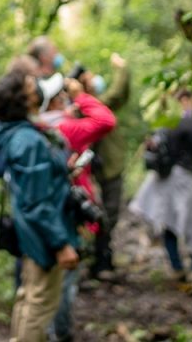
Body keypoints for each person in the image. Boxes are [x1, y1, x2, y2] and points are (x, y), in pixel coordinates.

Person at [0, 71, 79, 342]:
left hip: (33, 232)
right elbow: (37, 202)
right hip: (42, 236)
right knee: (40, 304)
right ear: (22, 99)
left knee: (29, 296)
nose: (38, 88)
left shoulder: (21, 134)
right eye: (31, 86)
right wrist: (60, 243)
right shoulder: (27, 140)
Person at [38, 72, 116, 342]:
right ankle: (60, 333)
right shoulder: (66, 128)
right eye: (61, 95)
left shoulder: (41, 127)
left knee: (46, 277)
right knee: (65, 279)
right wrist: (81, 96)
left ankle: (49, 330)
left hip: (44, 211)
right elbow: (106, 121)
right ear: (53, 102)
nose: (65, 98)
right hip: (67, 211)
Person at [130, 89, 192, 282]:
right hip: (186, 178)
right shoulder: (187, 122)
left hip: (168, 180)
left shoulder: (163, 122)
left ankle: (177, 267)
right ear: (185, 100)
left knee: (169, 222)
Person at [75, 54, 131, 279]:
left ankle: (101, 258)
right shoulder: (91, 107)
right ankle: (100, 261)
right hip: (105, 169)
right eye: (89, 78)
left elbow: (121, 96)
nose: (95, 79)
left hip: (106, 167)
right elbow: (117, 93)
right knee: (106, 213)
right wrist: (122, 68)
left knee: (107, 212)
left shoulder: (94, 105)